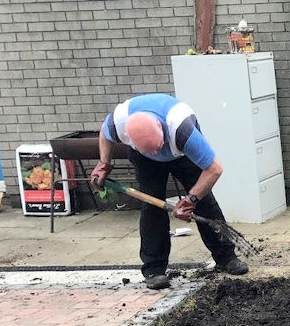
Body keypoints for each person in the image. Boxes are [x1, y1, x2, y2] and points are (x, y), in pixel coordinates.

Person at [91, 93, 248, 289]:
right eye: (150, 149)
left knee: (205, 202)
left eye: (156, 147)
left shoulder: (182, 130)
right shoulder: (119, 122)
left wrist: (192, 199)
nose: (156, 152)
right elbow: (104, 134)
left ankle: (226, 257)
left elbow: (214, 169)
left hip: (181, 154)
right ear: (128, 138)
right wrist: (104, 164)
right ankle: (154, 269)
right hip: (145, 161)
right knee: (151, 207)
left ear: (160, 128)